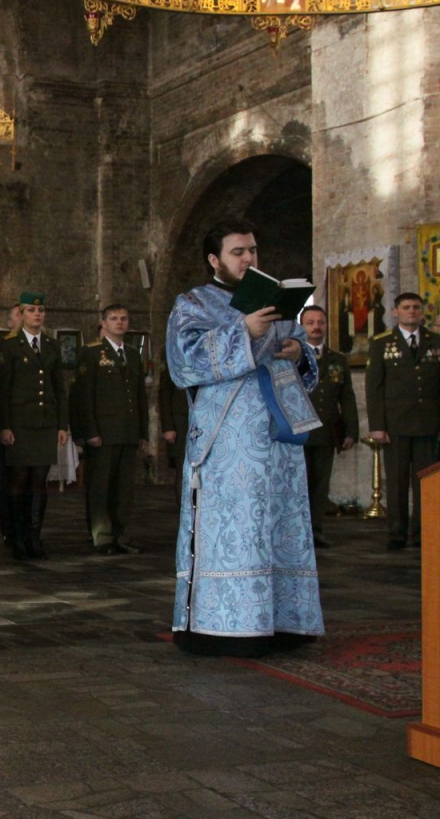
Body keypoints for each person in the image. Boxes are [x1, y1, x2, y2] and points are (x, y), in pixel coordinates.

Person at [166, 219, 324, 657]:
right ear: (214, 259)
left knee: (280, 524)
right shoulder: (193, 304)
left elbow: (301, 362)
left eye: (252, 250)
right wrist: (243, 332)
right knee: (236, 530)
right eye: (238, 252)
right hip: (227, 445)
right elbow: (183, 364)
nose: (248, 258)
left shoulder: (275, 302)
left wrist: (300, 352)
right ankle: (220, 626)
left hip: (276, 440)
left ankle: (284, 622)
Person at [0, 292, 68, 560]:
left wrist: (62, 424)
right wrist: (4, 425)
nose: (37, 314)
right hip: (19, 423)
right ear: (22, 314)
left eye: (41, 310)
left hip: (44, 421)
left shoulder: (51, 345)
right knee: (19, 480)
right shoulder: (9, 346)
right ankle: (17, 537)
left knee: (39, 480)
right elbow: (2, 390)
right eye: (31, 310)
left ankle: (34, 535)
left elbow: (59, 386)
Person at [366, 292, 439, 550]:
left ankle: (423, 533)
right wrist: (377, 425)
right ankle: (397, 533)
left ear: (422, 311)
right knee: (397, 482)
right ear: (395, 312)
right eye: (406, 307)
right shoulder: (381, 343)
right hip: (395, 424)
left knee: (426, 482)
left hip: (429, 424)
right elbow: (374, 387)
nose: (412, 311)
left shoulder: (435, 341)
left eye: (416, 307)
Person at [75, 304, 147, 555]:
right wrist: (89, 431)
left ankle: (120, 533)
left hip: (127, 431)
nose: (120, 322)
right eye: (114, 318)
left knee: (124, 488)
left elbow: (139, 395)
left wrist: (142, 431)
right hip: (103, 432)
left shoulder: (132, 354)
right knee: (100, 486)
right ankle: (101, 535)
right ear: (103, 323)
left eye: (124, 318)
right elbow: (84, 395)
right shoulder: (92, 353)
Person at [300, 305, 358, 549]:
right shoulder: (293, 356)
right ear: (302, 326)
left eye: (320, 322)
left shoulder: (337, 359)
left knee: (320, 485)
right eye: (311, 322)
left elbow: (347, 397)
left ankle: (315, 530)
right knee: (299, 485)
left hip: (325, 430)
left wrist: (351, 430)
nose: (316, 327)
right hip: (298, 432)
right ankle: (298, 534)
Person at [0, 303, 23, 548]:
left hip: (34, 424)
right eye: (19, 314)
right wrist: (0, 425)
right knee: (11, 480)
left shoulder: (43, 346)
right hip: (12, 423)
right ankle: (10, 528)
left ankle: (27, 531)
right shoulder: (1, 350)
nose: (25, 317)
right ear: (10, 322)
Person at [157, 364, 189, 505]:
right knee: (183, 469)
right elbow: (165, 392)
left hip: (204, 419)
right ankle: (184, 511)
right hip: (181, 423)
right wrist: (168, 426)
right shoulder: (175, 355)